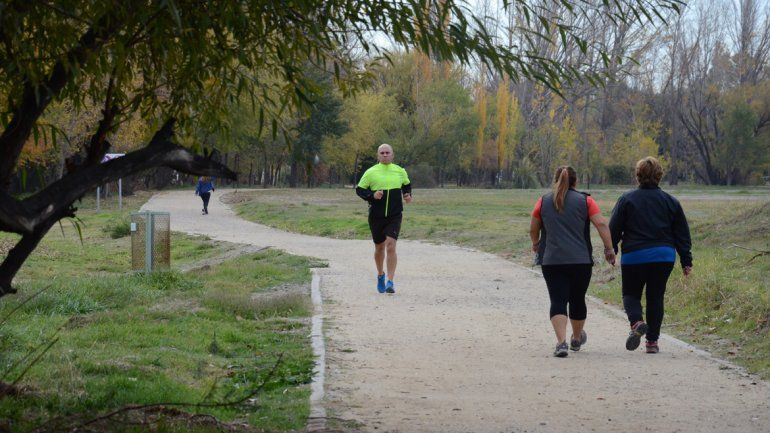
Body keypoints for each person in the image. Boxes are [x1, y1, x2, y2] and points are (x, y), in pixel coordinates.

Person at [529, 166, 616, 357]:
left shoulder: (543, 201)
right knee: (577, 299)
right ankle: (576, 338)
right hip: (581, 261)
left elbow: (533, 228)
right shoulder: (586, 200)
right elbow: (601, 223)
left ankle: (561, 343)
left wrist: (536, 243)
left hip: (552, 261)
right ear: (576, 182)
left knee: (558, 299)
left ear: (555, 180)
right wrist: (609, 249)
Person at [609, 156, 692, 354]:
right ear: (659, 175)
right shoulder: (671, 201)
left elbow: (613, 228)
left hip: (634, 255)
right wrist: (686, 260)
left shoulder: (626, 199)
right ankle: (652, 342)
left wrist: (612, 249)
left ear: (638, 176)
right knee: (656, 297)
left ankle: (637, 322)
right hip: (663, 256)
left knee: (630, 294)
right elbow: (682, 233)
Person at [356, 143, 412, 294]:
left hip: (394, 215)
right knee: (379, 248)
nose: (385, 155)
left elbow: (406, 185)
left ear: (392, 155)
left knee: (391, 246)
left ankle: (390, 281)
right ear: (378, 155)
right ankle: (380, 274)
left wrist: (407, 195)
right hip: (376, 216)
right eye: (382, 153)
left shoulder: (399, 171)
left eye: (388, 152)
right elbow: (360, 190)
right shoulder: (370, 172)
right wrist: (372, 196)